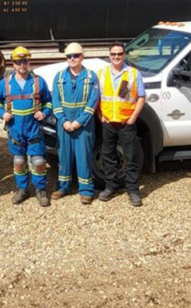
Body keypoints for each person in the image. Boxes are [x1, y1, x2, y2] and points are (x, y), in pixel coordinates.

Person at [0, 47, 54, 207]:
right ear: (13, 64)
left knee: (38, 161)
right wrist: (2, 113)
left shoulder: (38, 81)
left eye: (25, 61)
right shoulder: (5, 83)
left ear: (29, 62)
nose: (22, 64)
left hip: (34, 128)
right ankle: (22, 189)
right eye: (18, 62)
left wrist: (44, 113)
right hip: (15, 129)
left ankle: (41, 190)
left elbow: (48, 102)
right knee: (19, 161)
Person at [98, 42, 147, 207]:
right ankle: (110, 187)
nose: (116, 57)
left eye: (119, 54)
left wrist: (133, 117)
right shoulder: (102, 73)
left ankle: (133, 190)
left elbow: (141, 97)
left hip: (126, 122)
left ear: (124, 55)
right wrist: (100, 116)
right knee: (108, 156)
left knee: (130, 157)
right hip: (108, 122)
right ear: (109, 55)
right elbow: (97, 97)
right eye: (113, 54)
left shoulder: (133, 73)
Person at [51, 42, 100, 205]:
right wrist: (64, 121)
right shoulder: (59, 77)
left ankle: (86, 190)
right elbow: (56, 101)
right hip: (64, 125)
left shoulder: (91, 77)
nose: (72, 59)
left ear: (82, 57)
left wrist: (78, 122)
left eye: (75, 56)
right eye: (69, 56)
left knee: (84, 156)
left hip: (84, 125)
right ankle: (63, 187)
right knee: (64, 156)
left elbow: (93, 102)